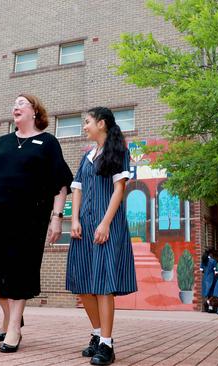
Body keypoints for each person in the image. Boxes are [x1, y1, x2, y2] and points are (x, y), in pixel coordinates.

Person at [0, 94, 72, 353]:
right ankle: (11, 316)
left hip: (31, 218)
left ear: (35, 111)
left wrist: (57, 219)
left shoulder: (47, 143)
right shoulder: (3, 142)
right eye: (14, 103)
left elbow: (60, 184)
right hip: (0, 216)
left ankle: (13, 327)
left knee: (19, 271)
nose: (16, 106)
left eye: (22, 103)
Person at [66, 106, 137, 366]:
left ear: (102, 123)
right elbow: (77, 189)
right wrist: (73, 220)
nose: (84, 126)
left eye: (87, 122)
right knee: (84, 283)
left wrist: (105, 223)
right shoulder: (87, 156)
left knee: (104, 283)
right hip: (84, 227)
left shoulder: (117, 152)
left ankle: (107, 343)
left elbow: (119, 190)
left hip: (108, 225)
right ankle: (96, 334)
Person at [200, 249, 218, 313]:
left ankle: (210, 308)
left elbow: (201, 270)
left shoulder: (203, 261)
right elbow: (216, 272)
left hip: (205, 278)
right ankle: (208, 302)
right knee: (215, 292)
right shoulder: (213, 261)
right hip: (212, 278)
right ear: (210, 254)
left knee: (208, 293)